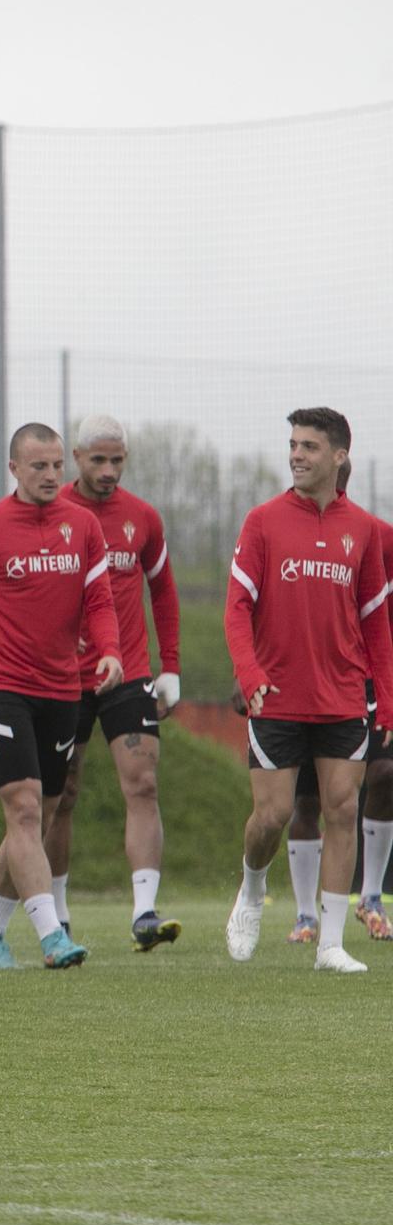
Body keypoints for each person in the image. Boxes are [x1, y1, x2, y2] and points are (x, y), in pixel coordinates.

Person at [0, 422, 118, 972]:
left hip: (63, 687)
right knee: (21, 807)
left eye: (57, 465)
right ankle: (51, 935)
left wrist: (110, 651)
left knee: (38, 817)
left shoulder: (83, 527)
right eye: (38, 466)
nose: (49, 475)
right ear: (13, 469)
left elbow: (101, 603)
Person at [222, 408, 393, 973]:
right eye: (293, 444)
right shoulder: (263, 521)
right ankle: (251, 892)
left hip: (343, 695)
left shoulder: (364, 529)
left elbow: (374, 621)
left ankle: (331, 945)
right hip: (277, 697)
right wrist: (250, 676)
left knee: (342, 810)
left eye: (310, 447)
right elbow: (236, 608)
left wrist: (386, 696)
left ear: (339, 455)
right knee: (270, 816)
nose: (297, 455)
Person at [48, 414, 184, 950]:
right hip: (63, 675)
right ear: (77, 458)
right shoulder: (52, 513)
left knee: (143, 783)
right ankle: (57, 914)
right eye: (98, 459)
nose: (108, 471)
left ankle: (145, 912)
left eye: (117, 460)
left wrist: (169, 666)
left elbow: (165, 593)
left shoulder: (142, 519)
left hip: (127, 672)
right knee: (62, 795)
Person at [275, 460, 393, 944]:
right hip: (297, 685)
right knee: (304, 800)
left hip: (358, 682)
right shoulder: (274, 525)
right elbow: (253, 605)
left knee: (383, 775)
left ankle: (370, 896)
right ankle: (306, 914)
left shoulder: (375, 534)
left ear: (340, 464)